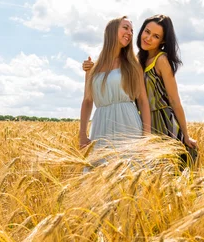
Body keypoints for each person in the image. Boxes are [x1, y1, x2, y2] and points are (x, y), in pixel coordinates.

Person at [83, 14, 197, 163]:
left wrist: (186, 135)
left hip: (163, 122)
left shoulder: (159, 60)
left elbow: (174, 101)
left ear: (162, 41)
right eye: (146, 31)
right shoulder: (137, 60)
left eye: (155, 36)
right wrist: (91, 68)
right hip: (136, 120)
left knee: (167, 170)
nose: (148, 38)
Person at [79, 16, 151, 150]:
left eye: (132, 31)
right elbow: (88, 101)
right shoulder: (92, 68)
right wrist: (82, 134)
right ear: (112, 31)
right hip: (101, 126)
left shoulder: (133, 64)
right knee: (100, 168)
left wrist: (146, 136)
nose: (130, 33)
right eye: (125, 28)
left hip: (128, 124)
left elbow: (142, 100)